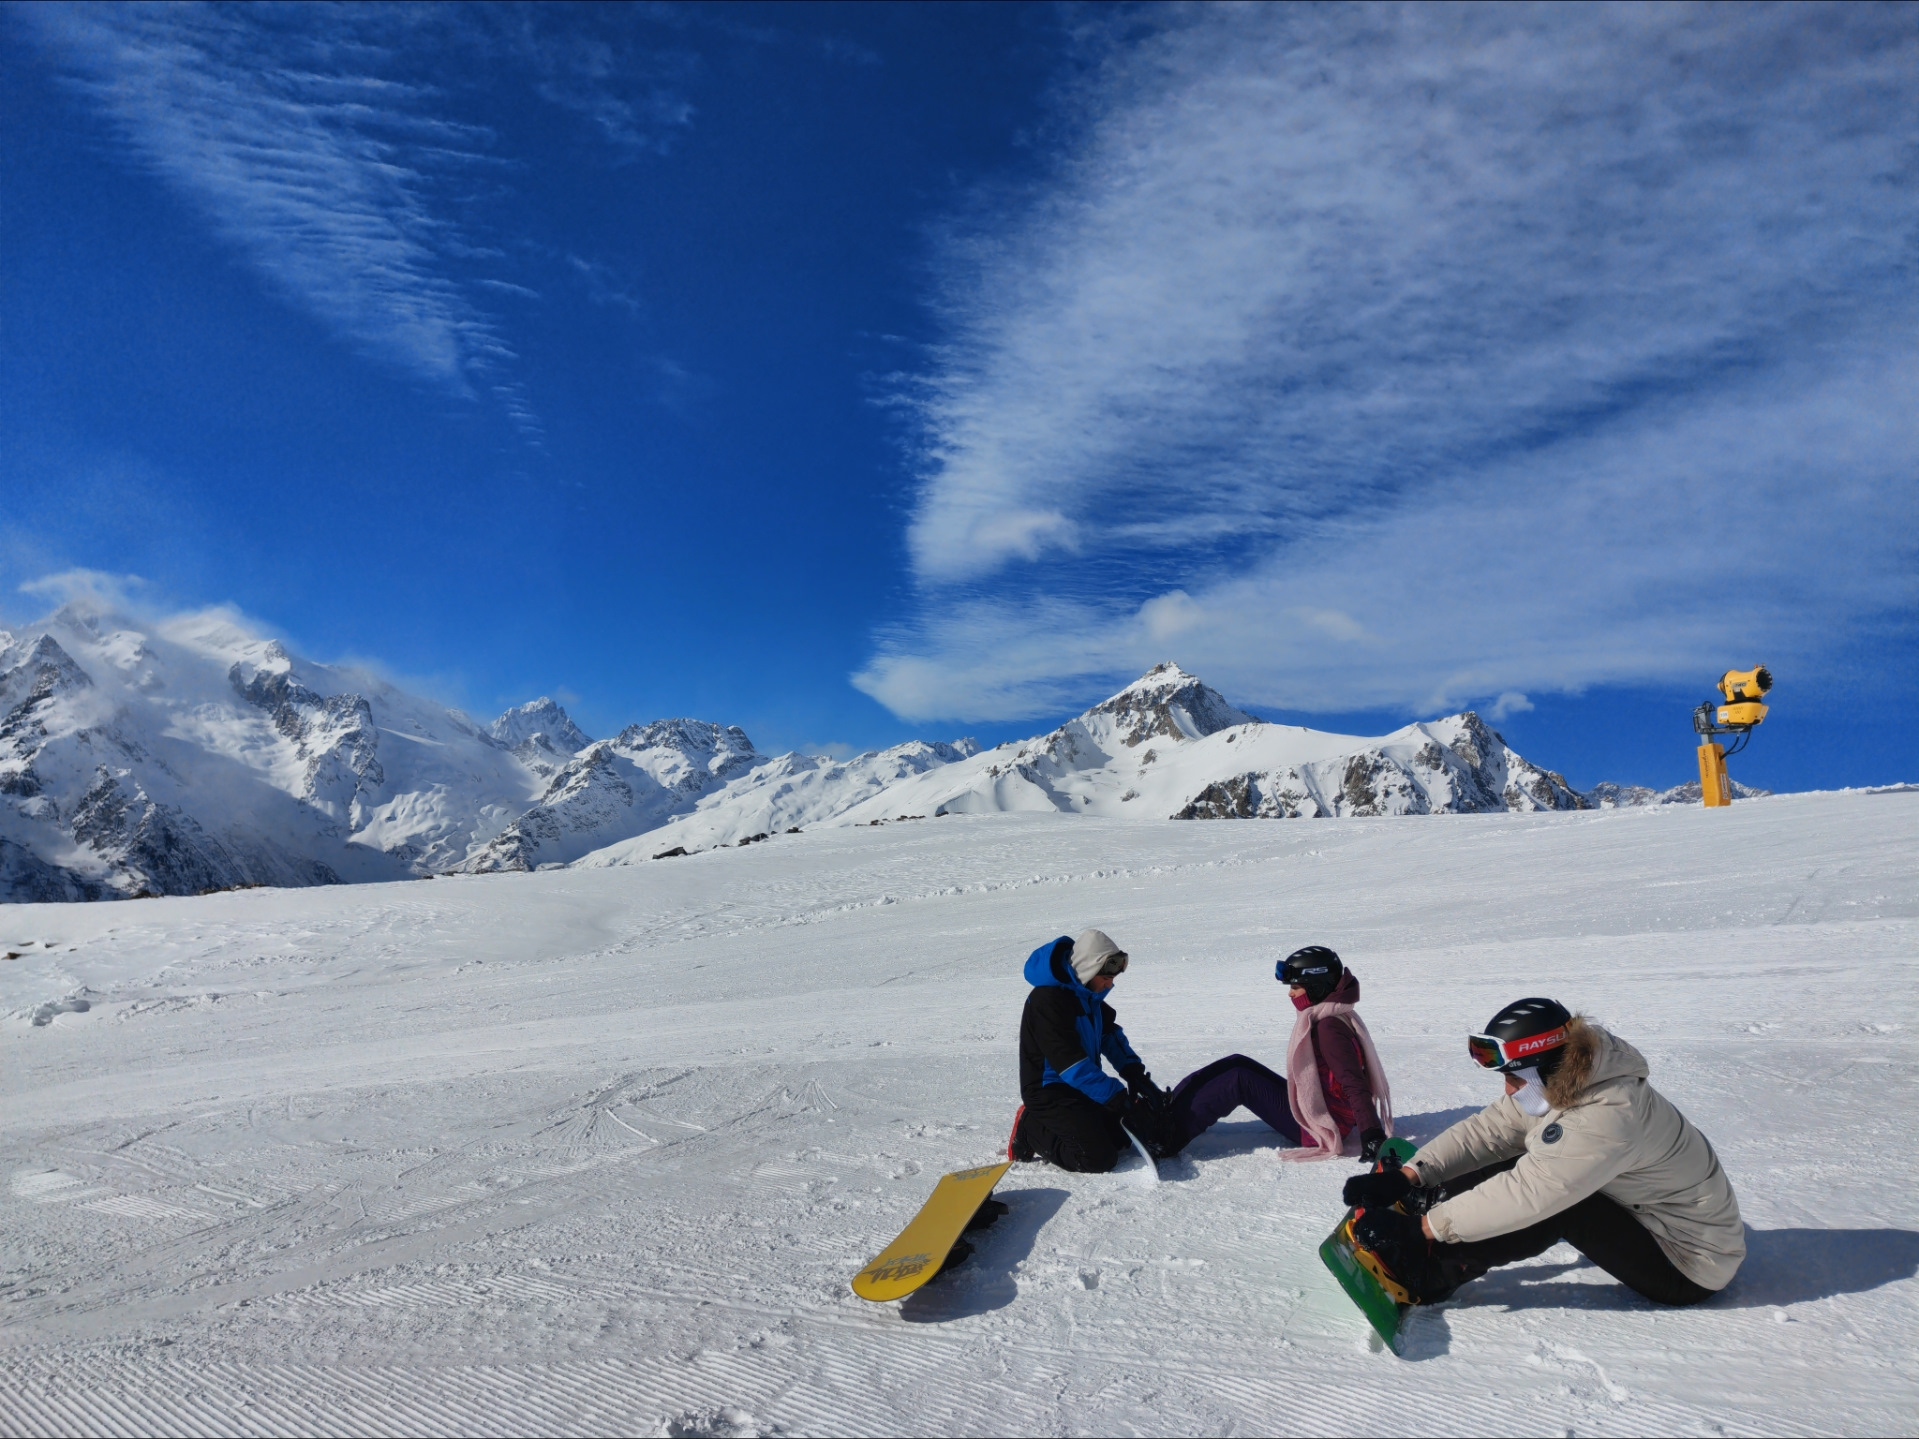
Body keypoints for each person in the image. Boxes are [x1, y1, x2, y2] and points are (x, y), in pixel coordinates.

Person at [1342, 998, 1744, 1307]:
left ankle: (1429, 1272)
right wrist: (1411, 1175)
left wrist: (1422, 1231)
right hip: (1653, 1217)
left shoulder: (1609, 1115)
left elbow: (1530, 1193)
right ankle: (1433, 1203)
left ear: (1544, 1066)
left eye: (1514, 1077)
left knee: (1559, 1200)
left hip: (1688, 1262)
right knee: (1526, 1158)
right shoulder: (1575, 1076)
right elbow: (1492, 1130)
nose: (1508, 1089)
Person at [1006, 932, 1360, 1172]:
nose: (1111, 984)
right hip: (1052, 1091)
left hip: (1080, 1090)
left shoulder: (1090, 996)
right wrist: (1118, 1098)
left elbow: (1110, 1038)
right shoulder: (1047, 1002)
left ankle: (1088, 1122)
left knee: (1120, 1138)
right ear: (1086, 970)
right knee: (1097, 1157)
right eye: (1106, 975)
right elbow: (1072, 1066)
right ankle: (1032, 1128)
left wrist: (1134, 1074)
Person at [1275, 945, 1394, 1163]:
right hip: (1326, 1110)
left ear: (1316, 986)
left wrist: (1371, 1135)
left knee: (1237, 1076)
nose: (1290, 993)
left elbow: (1353, 1082)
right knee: (1238, 1067)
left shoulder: (1328, 1028)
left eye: (1295, 986)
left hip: (1324, 1124)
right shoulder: (1334, 1014)